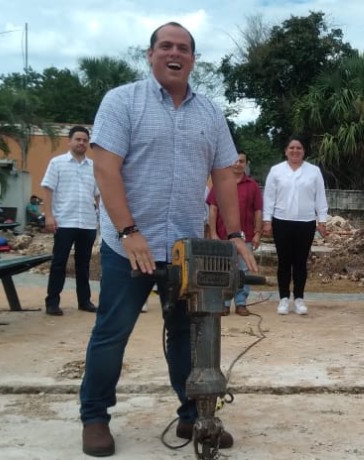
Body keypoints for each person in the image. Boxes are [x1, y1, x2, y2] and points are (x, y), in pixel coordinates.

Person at [79, 22, 257, 457]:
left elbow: (224, 176)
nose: (174, 54)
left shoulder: (210, 113)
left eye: (183, 48)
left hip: (184, 250)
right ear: (150, 54)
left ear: (193, 59)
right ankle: (95, 416)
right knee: (112, 331)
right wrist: (128, 231)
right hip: (129, 248)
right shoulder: (122, 101)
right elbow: (106, 170)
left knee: (187, 335)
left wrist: (234, 235)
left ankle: (194, 416)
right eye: (165, 46)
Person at [261, 137, 329, 316]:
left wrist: (322, 221)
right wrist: (267, 220)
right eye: (291, 147)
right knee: (284, 262)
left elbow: (320, 197)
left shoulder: (313, 172)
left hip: (305, 223)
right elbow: (269, 197)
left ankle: (299, 298)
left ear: (304, 151)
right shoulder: (276, 171)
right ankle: (283, 298)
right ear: (286, 151)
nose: (295, 151)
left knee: (300, 262)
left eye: (299, 148)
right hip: (281, 221)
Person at [41, 125, 100, 316]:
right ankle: (52, 302)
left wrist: (100, 217)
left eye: (84, 140)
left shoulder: (94, 167)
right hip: (64, 221)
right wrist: (49, 216)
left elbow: (98, 195)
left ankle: (84, 301)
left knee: (83, 264)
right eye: (78, 139)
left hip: (87, 223)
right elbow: (48, 190)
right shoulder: (57, 163)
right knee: (59, 262)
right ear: (70, 141)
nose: (81, 143)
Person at [207, 150, 263, 316]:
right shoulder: (220, 184)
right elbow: (213, 209)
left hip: (245, 236)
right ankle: (223, 303)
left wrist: (258, 232)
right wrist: (213, 233)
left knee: (243, 271)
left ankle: (241, 303)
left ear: (245, 164)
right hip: (223, 236)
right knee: (223, 270)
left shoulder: (252, 186)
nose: (238, 164)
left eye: (241, 161)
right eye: (236, 161)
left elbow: (258, 211)